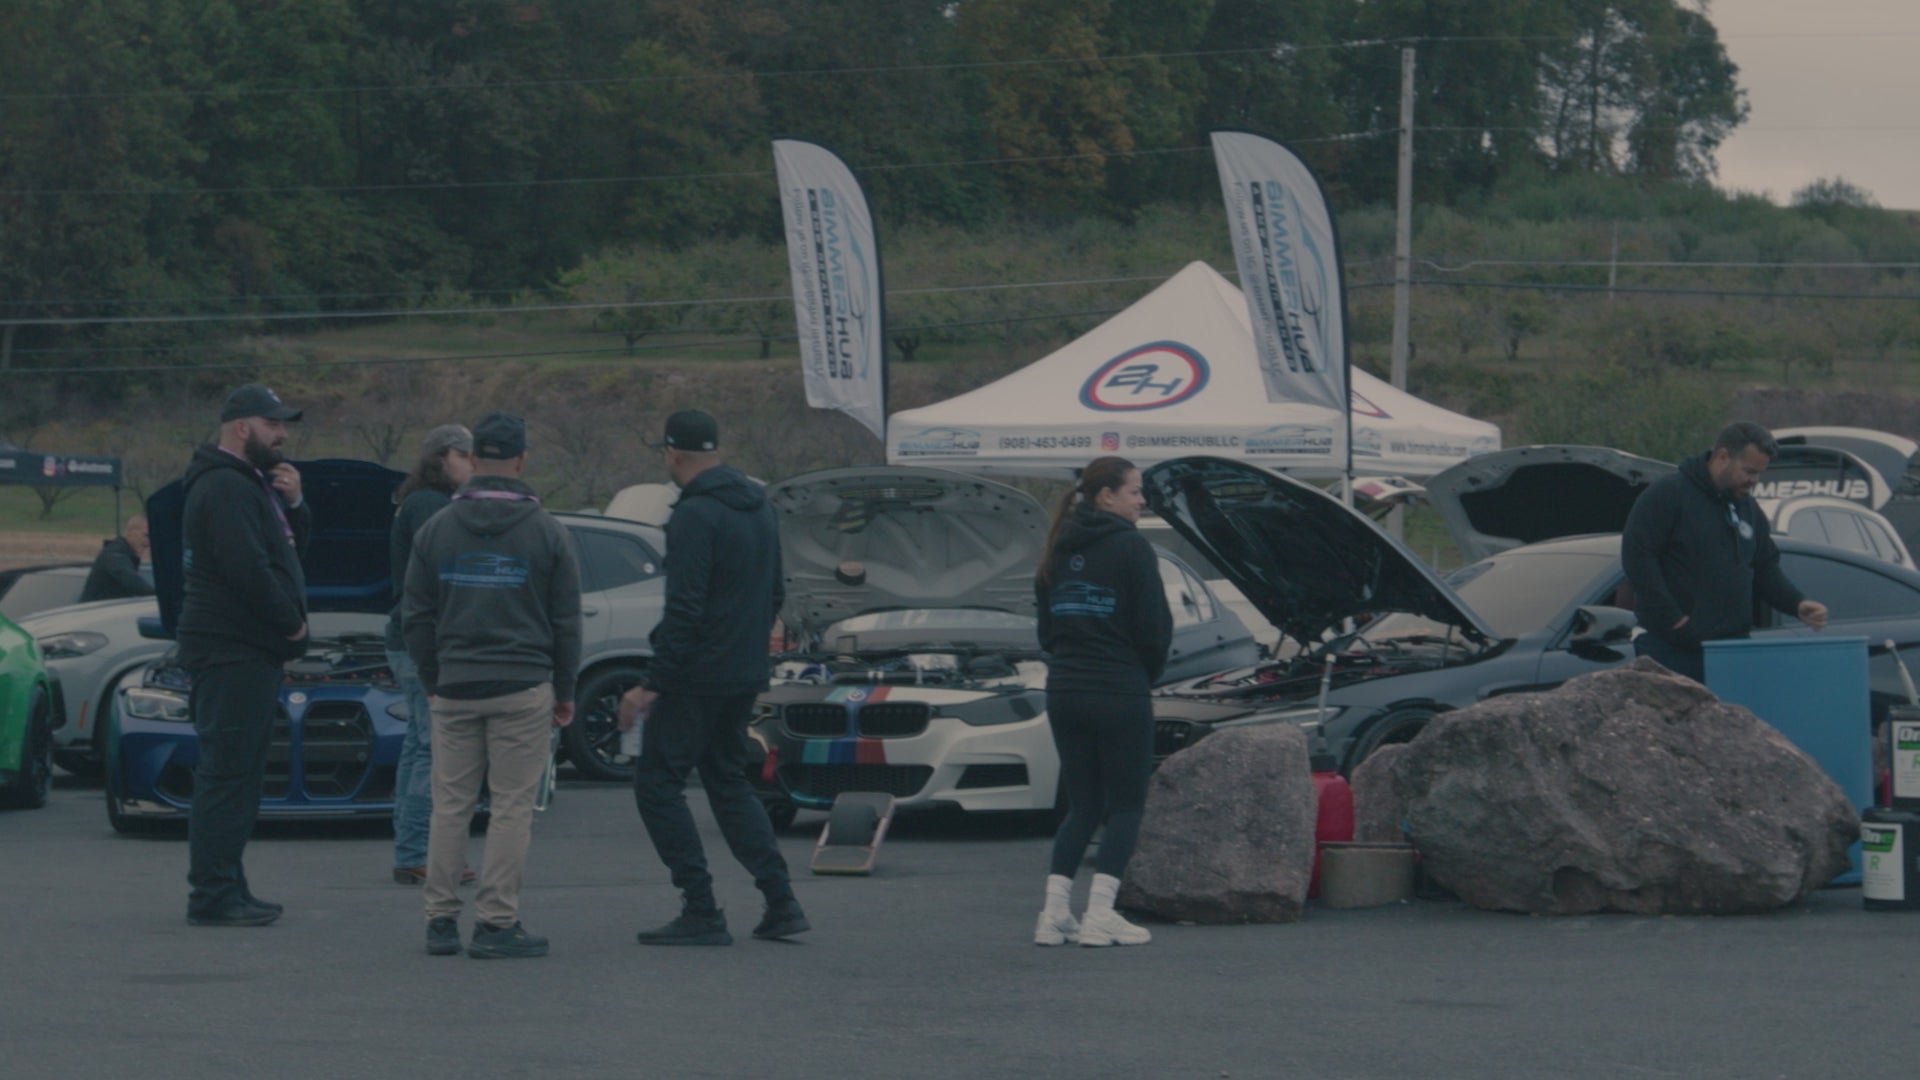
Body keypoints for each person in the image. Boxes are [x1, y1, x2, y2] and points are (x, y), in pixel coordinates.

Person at [618, 409, 807, 946]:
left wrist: (650, 683)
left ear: (672, 453)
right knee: (728, 782)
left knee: (658, 785)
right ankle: (781, 901)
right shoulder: (760, 507)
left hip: (694, 675)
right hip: (743, 671)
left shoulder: (693, 516)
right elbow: (775, 591)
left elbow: (685, 608)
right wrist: (745, 648)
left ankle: (700, 907)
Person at [404, 411, 582, 959]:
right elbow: (566, 621)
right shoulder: (547, 530)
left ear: (475, 458)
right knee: (510, 807)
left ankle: (439, 921)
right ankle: (496, 922)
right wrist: (565, 690)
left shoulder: (436, 528)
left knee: (450, 804)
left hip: (455, 685)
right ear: (522, 460)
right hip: (522, 685)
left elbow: (416, 616)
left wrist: (432, 679)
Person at [177, 383, 310, 927]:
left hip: (247, 652)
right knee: (227, 776)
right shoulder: (223, 487)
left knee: (240, 777)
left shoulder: (250, 485)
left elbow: (287, 553)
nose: (282, 435)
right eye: (272, 424)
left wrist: (295, 503)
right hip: (229, 650)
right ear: (240, 427)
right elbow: (248, 569)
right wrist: (292, 624)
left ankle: (230, 885)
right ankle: (211, 896)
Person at [1031, 456, 1171, 948]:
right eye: (1135, 491)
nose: (1142, 501)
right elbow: (1154, 628)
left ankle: (1053, 915)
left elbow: (1046, 631)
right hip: (1117, 687)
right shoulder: (1131, 546)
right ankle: (1101, 914)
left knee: (1083, 805)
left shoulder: (1055, 548)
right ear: (1106, 496)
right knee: (1127, 805)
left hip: (1064, 689)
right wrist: (1142, 674)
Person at [1622, 421, 1829, 683]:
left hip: (1731, 650)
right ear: (1722, 457)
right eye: (1749, 471)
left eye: (1759, 473)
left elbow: (1764, 567)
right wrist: (1674, 620)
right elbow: (1638, 558)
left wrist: (1796, 603)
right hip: (1671, 648)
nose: (1754, 481)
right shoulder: (1669, 494)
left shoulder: (1748, 509)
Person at [384, 424, 476, 886]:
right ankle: (422, 853)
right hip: (424, 640)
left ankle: (410, 850)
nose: (473, 464)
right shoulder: (430, 506)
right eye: (466, 455)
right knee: (432, 750)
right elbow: (443, 574)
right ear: (443, 457)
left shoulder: (418, 501)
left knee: (417, 746)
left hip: (407, 637)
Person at [78, 514, 155, 603]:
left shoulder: (123, 555)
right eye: (146, 535)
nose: (148, 542)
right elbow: (132, 581)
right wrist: (159, 597)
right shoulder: (115, 554)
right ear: (130, 531)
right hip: (96, 610)